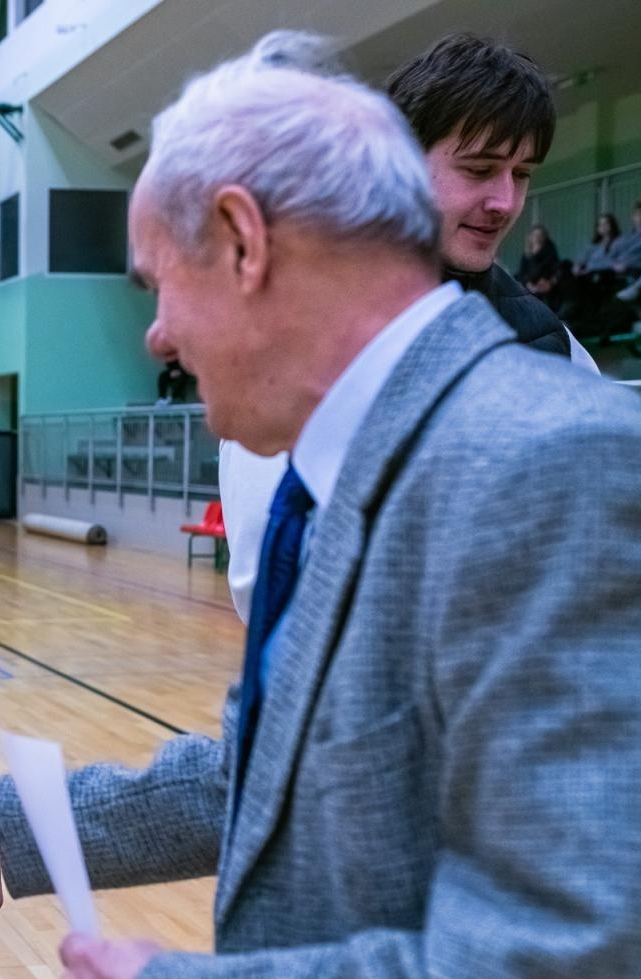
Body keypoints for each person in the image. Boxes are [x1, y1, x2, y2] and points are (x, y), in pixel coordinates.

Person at [0, 31, 641, 979]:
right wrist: (3, 815)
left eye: (159, 282)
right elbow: (272, 773)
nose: (154, 336)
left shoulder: (549, 467)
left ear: (241, 241)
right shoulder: (362, 467)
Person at [220, 32, 599, 621]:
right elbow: (269, 580)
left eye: (521, 174)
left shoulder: (550, 345)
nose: (504, 201)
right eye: (478, 169)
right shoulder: (295, 338)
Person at [514, 224, 561, 302]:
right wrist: (528, 284)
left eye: (540, 235)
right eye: (534, 235)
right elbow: (522, 272)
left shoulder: (549, 250)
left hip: (546, 281)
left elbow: (553, 267)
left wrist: (549, 282)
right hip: (530, 283)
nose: (537, 238)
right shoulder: (527, 254)